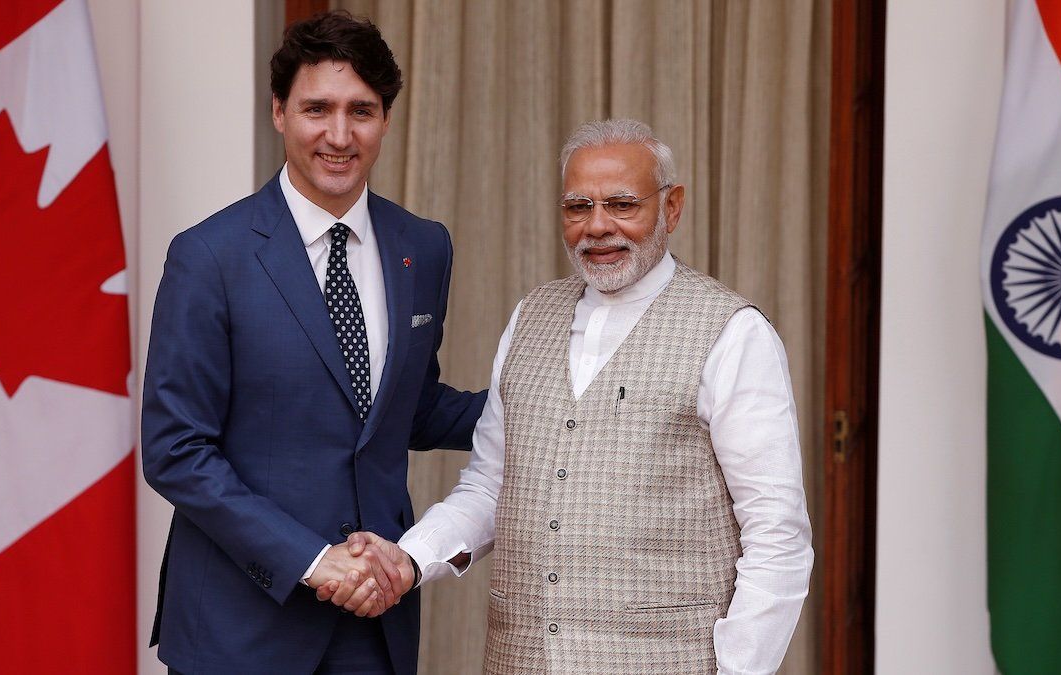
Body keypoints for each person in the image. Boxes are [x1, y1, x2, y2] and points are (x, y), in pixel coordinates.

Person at [323, 119, 813, 674]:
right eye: (578, 207)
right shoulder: (530, 317)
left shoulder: (732, 332)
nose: (597, 227)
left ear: (671, 208)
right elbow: (491, 486)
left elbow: (778, 535)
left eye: (622, 204)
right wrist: (408, 560)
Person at [141, 11, 485, 674]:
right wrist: (313, 558)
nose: (338, 134)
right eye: (316, 108)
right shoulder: (209, 256)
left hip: (372, 625)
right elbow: (176, 449)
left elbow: (403, 406)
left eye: (361, 110)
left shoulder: (423, 245)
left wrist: (543, 403)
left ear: (385, 119)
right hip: (240, 627)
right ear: (278, 112)